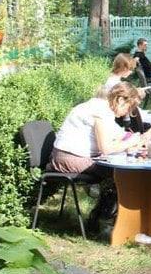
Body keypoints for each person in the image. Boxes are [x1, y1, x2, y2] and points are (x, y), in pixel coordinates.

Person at [48, 83, 145, 232]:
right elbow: (106, 149)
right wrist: (130, 143)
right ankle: (102, 219)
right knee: (120, 173)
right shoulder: (101, 112)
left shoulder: (100, 107)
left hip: (69, 156)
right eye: (129, 107)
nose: (127, 113)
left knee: (118, 172)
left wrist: (128, 143)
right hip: (67, 158)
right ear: (120, 100)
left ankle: (101, 218)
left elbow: (116, 137)